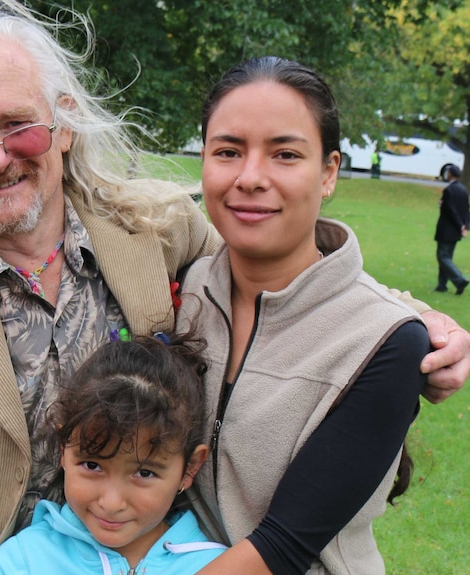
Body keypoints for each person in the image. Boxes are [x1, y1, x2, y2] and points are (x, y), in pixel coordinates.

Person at [0, 2, 470, 573]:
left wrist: (415, 318)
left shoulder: (156, 226)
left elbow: (282, 270)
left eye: (17, 125)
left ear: (63, 124)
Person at [177, 55, 429, 575]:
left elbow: (283, 546)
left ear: (329, 172)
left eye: (285, 154)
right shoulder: (186, 289)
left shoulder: (387, 342)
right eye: (227, 151)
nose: (249, 178)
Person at [0, 333, 227, 574]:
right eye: (92, 466)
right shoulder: (23, 561)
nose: (111, 504)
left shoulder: (219, 567)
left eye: (144, 473)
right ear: (63, 446)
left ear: (190, 468)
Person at [434, 164, 470, 294]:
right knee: (447, 257)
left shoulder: (449, 190)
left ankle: (459, 279)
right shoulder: (463, 190)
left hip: (447, 229)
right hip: (456, 230)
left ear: (450, 174)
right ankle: (442, 285)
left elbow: (450, 210)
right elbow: (466, 210)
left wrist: (460, 224)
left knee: (442, 256)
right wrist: (465, 225)